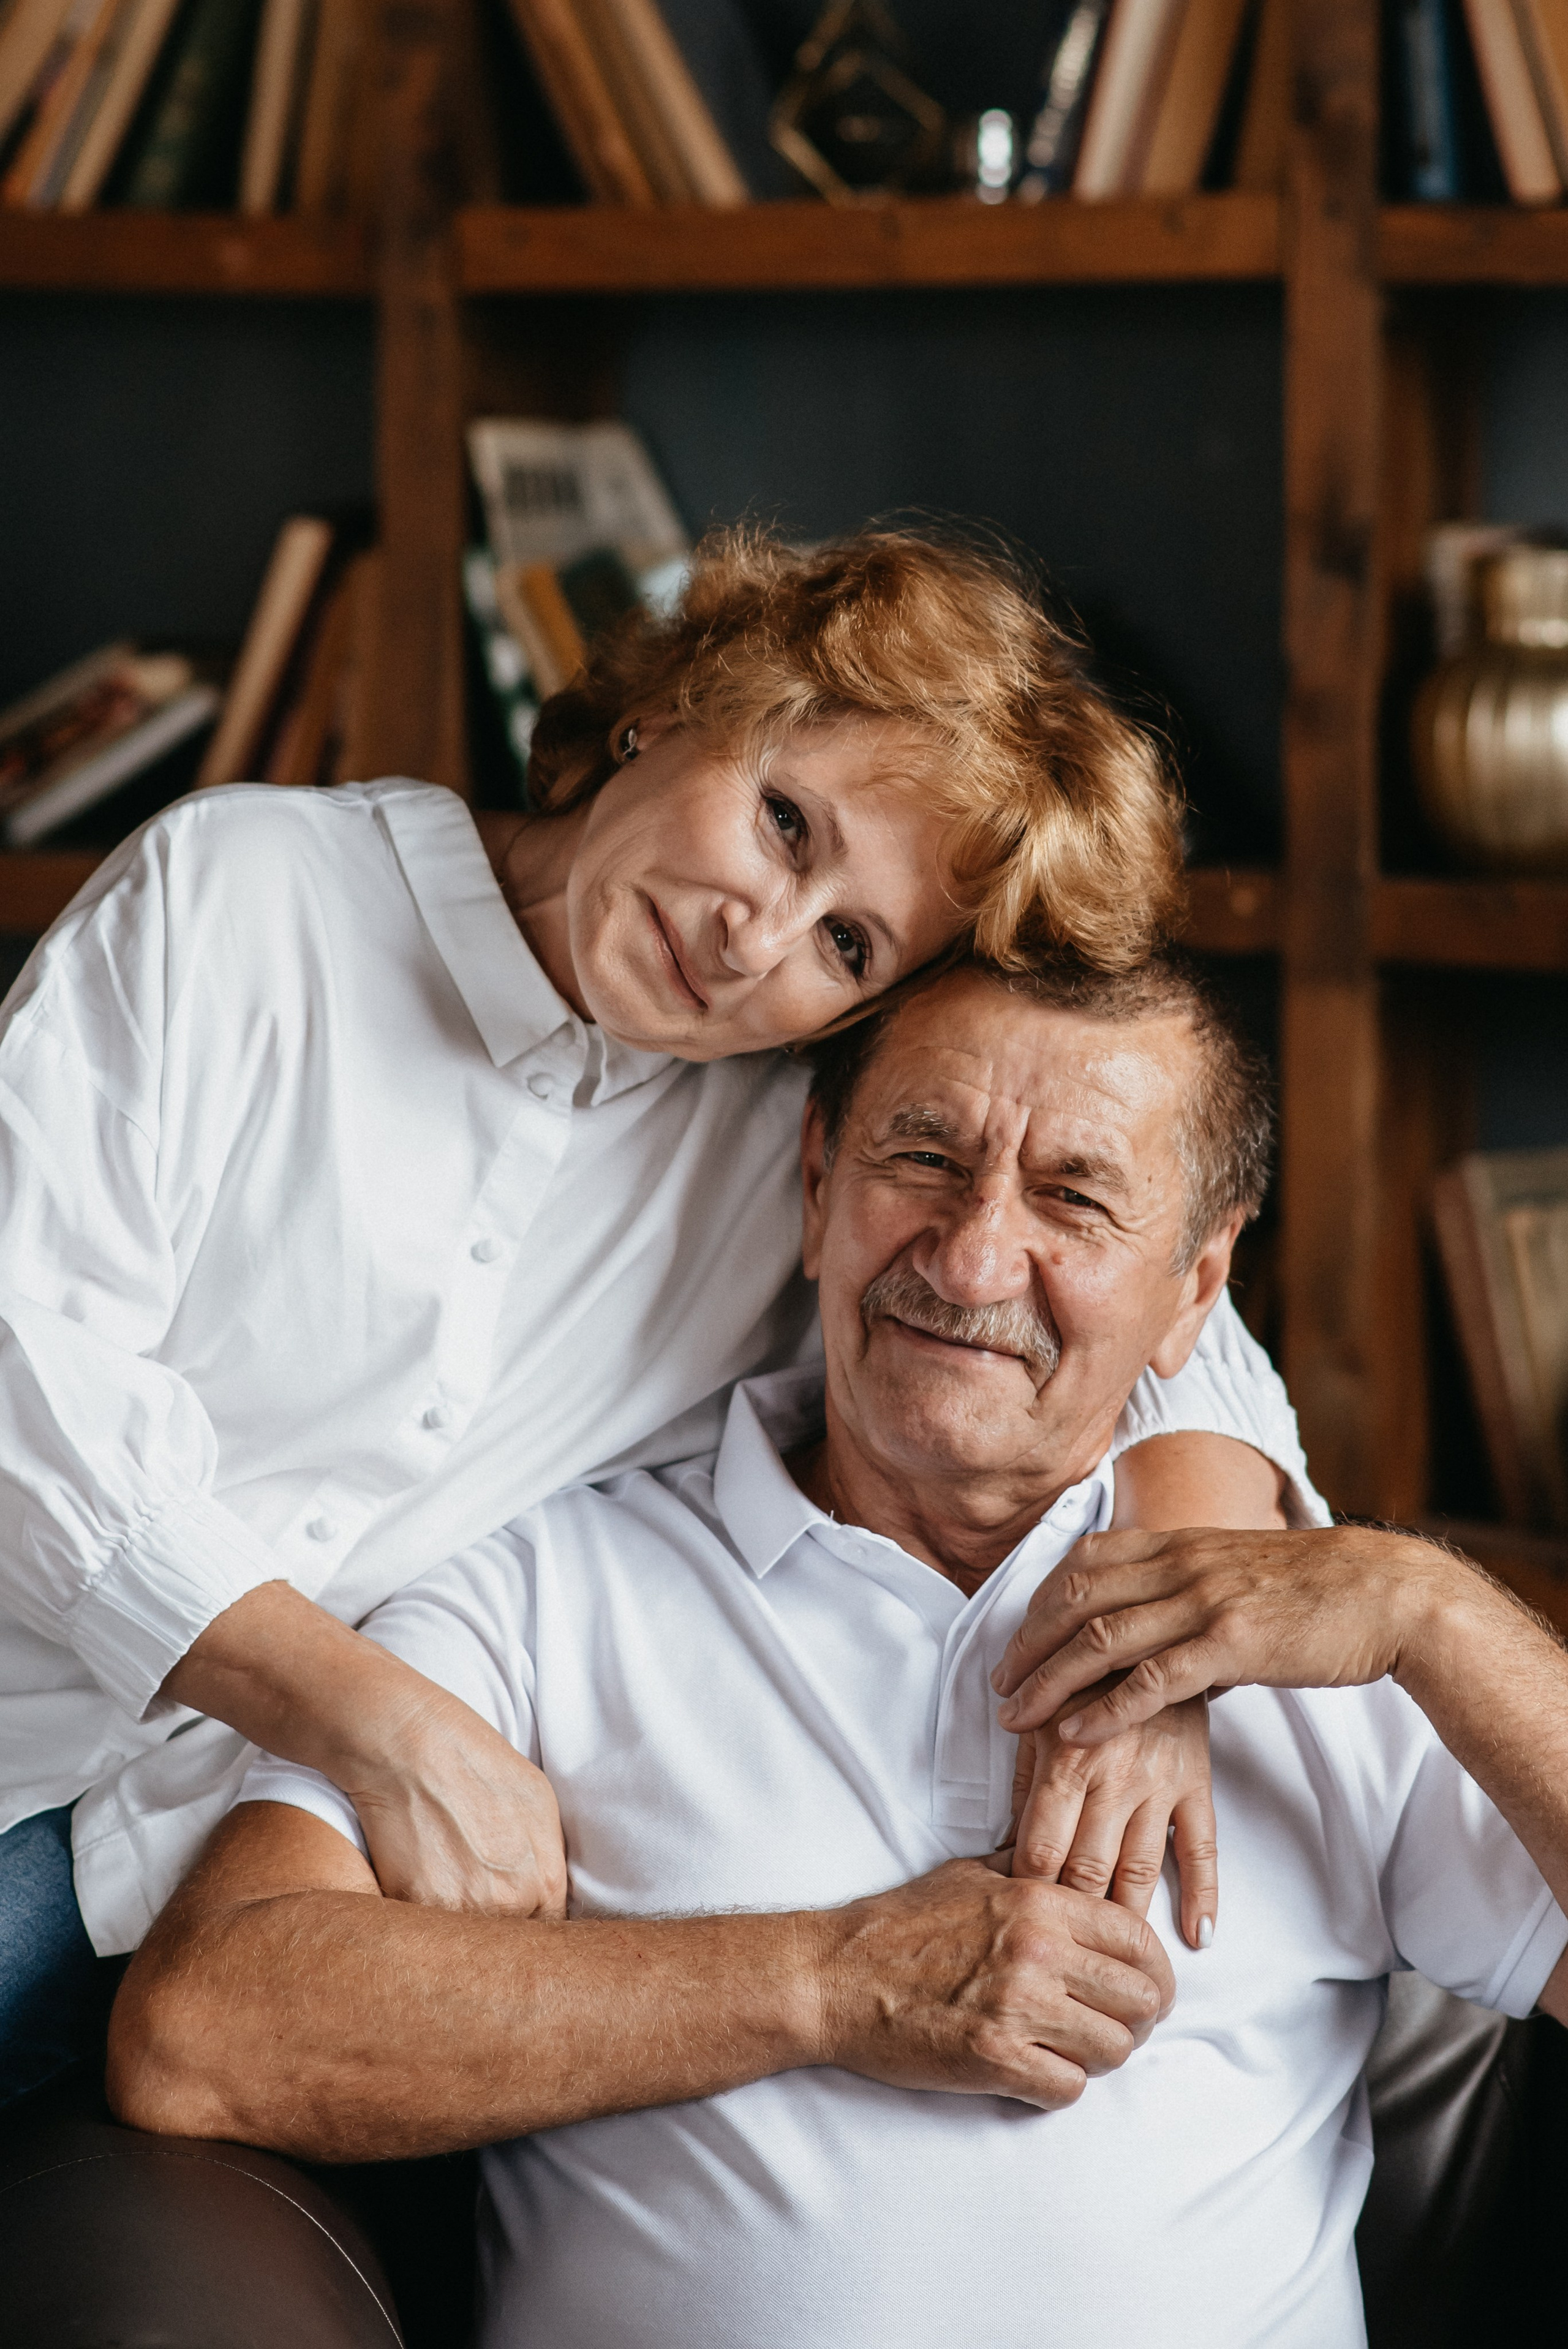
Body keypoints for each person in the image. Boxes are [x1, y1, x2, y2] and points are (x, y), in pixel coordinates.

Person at [0, 528, 1316, 2110]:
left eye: (850, 943)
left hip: (259, 1890)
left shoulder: (791, 1134)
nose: (753, 937)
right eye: (781, 823)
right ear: (679, 705)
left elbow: (1156, 1317)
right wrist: (380, 1720)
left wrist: (1158, 1650)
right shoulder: (249, 893)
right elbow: (25, 1367)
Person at [108, 956, 1566, 2349]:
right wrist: (828, 1983)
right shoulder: (546, 1583)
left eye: (1072, 1196)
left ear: (1194, 1290)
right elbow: (204, 2029)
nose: (975, 1250)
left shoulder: (1311, 1637)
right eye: (921, 1160)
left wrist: (1423, 1606)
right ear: (815, 1187)